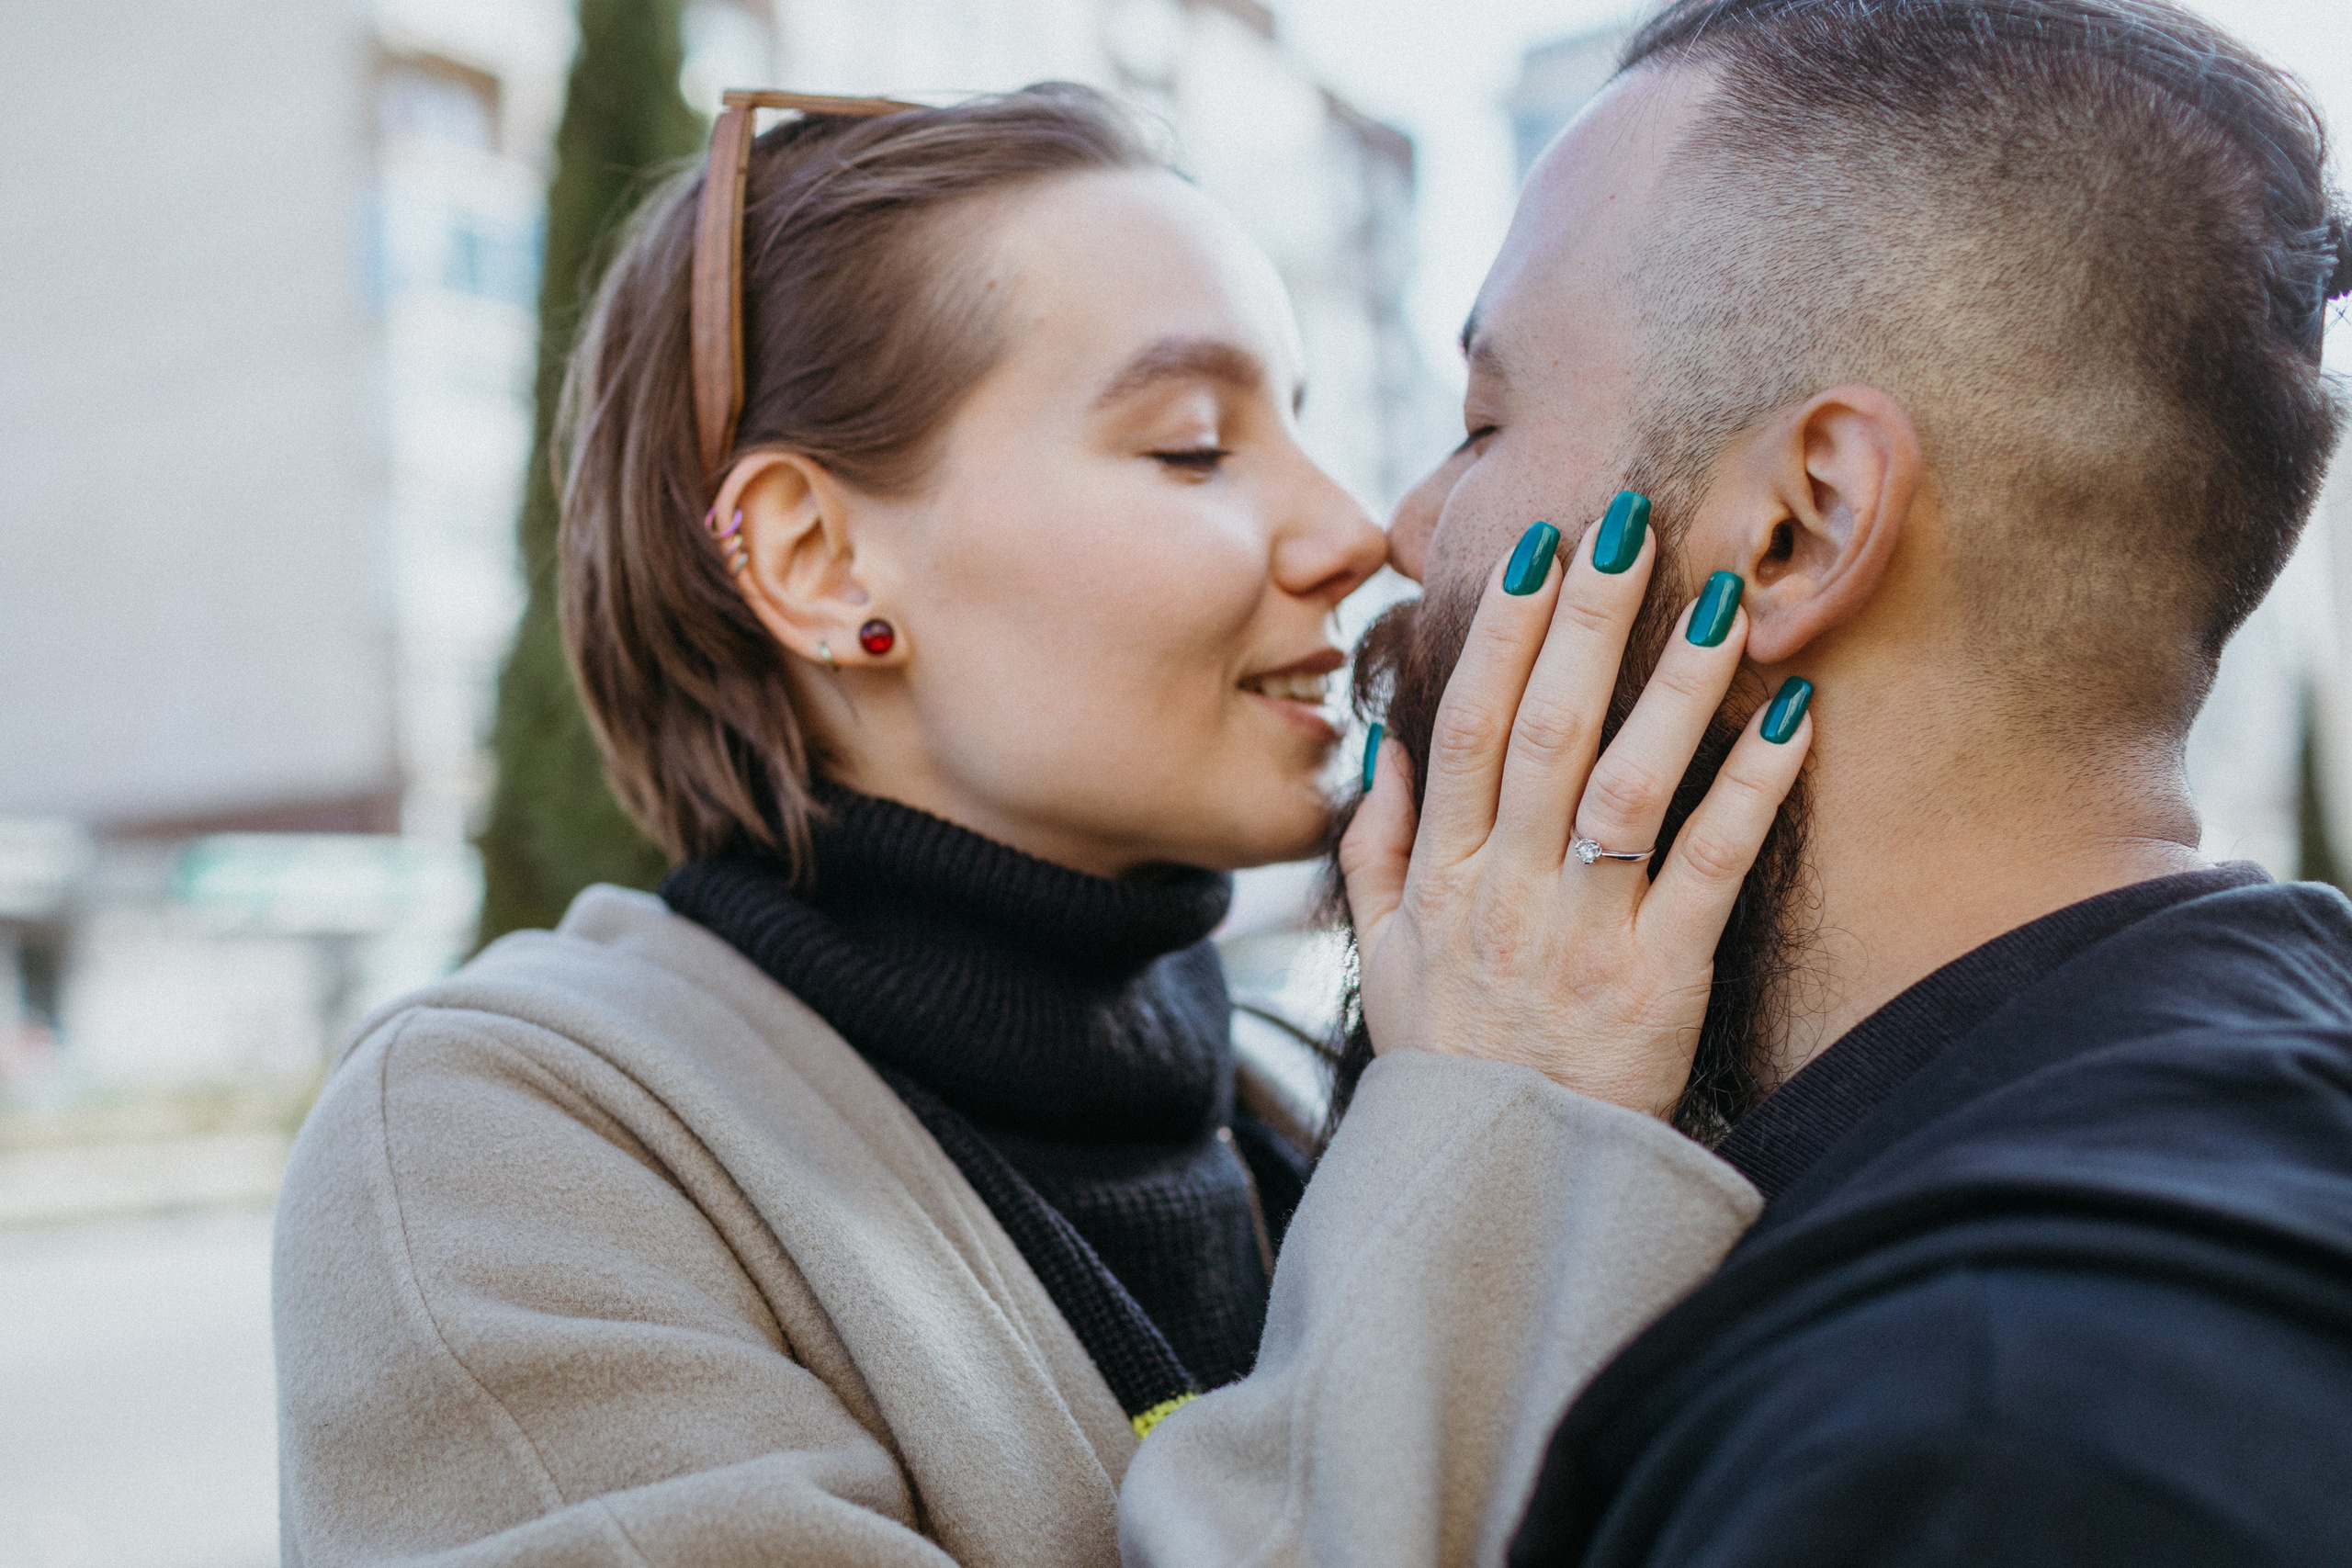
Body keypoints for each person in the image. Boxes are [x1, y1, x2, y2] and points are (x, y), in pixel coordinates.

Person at [271, 84, 1804, 1566]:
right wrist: (1495, 1138)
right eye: (1193, 445)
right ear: (815, 559)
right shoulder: (506, 1139)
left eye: (1303, 426)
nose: (1354, 531)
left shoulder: (1301, 1091)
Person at [1125, 0, 2352, 1562]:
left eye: (1484, 423)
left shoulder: (1980, 1432)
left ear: (1799, 528)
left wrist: (1459, 1146)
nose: (1407, 532)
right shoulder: (2226, 1122)